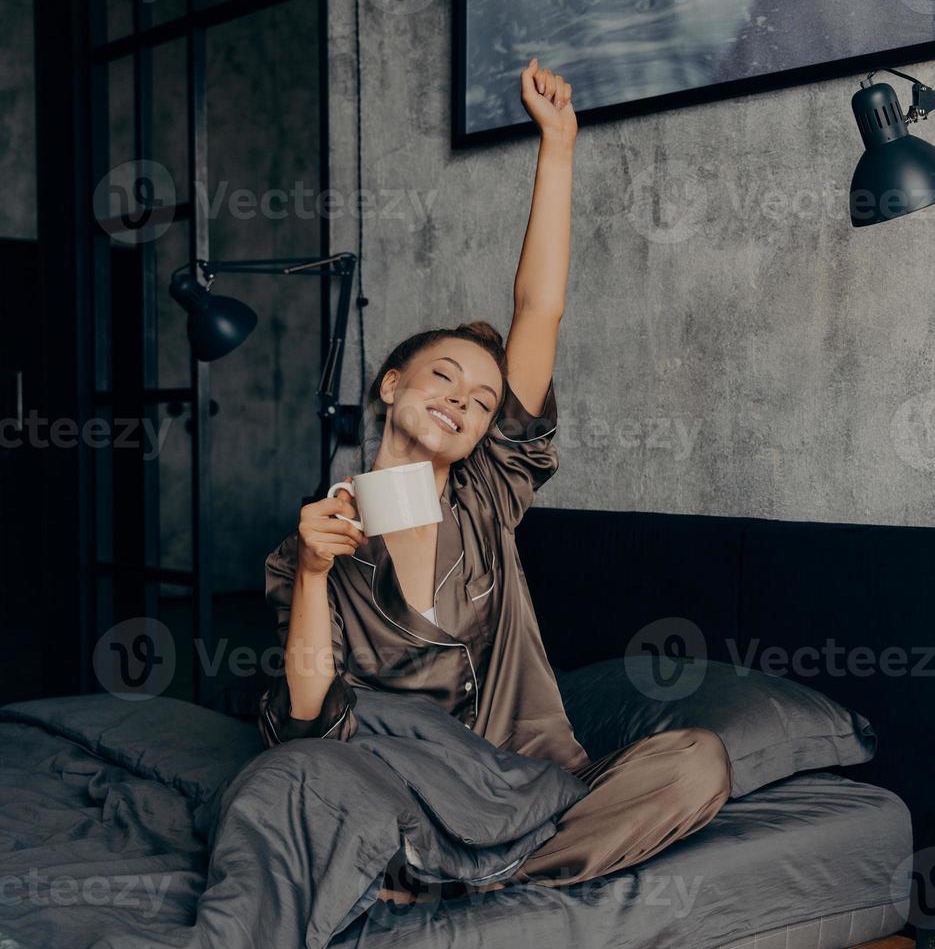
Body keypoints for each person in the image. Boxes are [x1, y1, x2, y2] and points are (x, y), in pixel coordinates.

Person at [256, 59, 731, 901]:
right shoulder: (321, 534)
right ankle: (443, 860)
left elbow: (538, 310)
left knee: (697, 763)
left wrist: (558, 147)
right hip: (409, 788)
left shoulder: (487, 498)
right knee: (327, 772)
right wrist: (317, 568)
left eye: (481, 400)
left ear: (488, 431)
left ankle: (466, 875)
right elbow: (305, 715)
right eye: (442, 378)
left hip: (528, 788)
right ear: (391, 385)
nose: (462, 403)